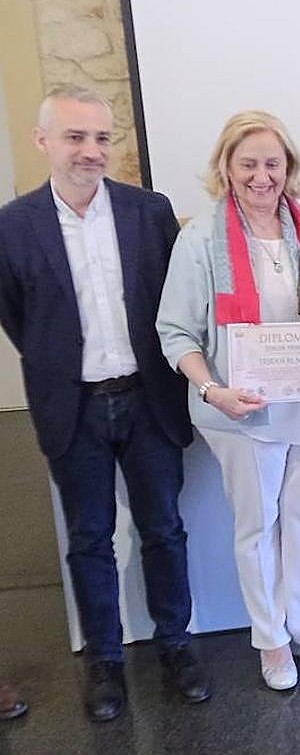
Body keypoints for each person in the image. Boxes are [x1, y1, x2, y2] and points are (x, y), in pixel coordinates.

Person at [0, 86, 210, 721]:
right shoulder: (13, 225)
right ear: (44, 142)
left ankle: (176, 643)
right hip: (75, 407)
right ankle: (106, 662)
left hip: (148, 399)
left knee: (164, 529)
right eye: (74, 137)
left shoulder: (150, 212)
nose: (91, 151)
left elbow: (177, 302)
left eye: (101, 138)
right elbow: (18, 315)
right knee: (89, 539)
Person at [156, 110, 300, 690]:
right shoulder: (200, 237)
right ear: (226, 167)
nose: (260, 176)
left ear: (288, 167)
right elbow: (175, 332)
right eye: (247, 163)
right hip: (244, 408)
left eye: (272, 163)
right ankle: (270, 640)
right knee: (258, 525)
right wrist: (211, 389)